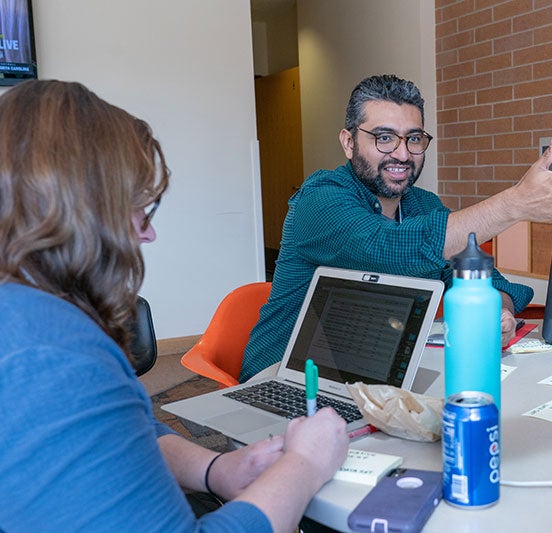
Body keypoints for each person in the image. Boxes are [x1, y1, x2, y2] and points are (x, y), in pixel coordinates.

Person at [0, 80, 349, 532]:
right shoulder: (51, 361)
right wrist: (304, 465)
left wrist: (215, 470)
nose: (148, 233)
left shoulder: (31, 318)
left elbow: (123, 431)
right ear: (82, 210)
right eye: (137, 206)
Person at [241, 74, 552, 381]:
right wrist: (516, 203)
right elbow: (388, 249)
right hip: (284, 372)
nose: (402, 154)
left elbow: (485, 281)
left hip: (372, 370)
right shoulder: (320, 199)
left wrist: (495, 310)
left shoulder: (423, 205)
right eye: (384, 138)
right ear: (348, 141)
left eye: (414, 139)